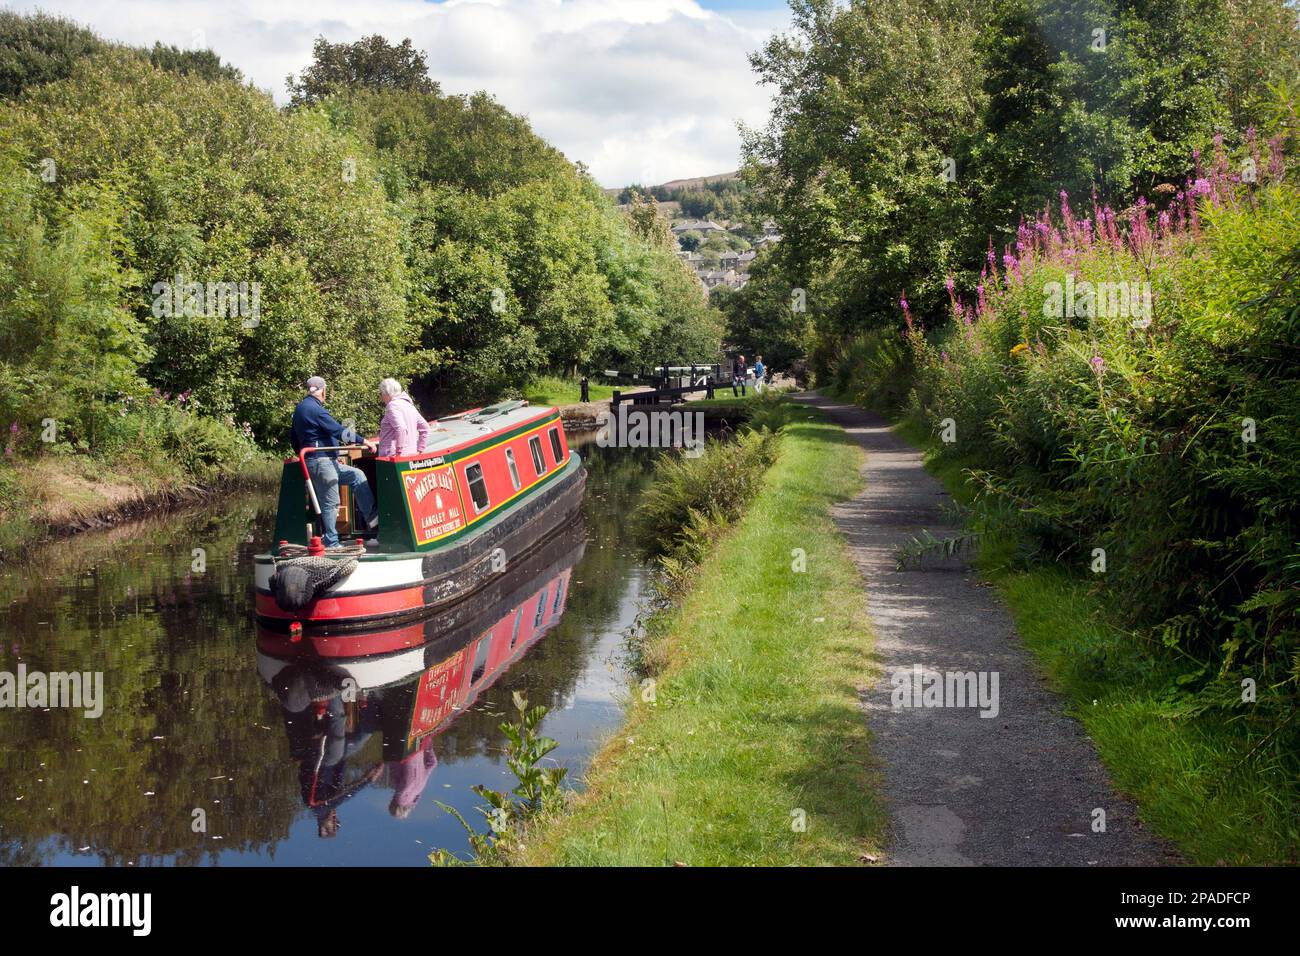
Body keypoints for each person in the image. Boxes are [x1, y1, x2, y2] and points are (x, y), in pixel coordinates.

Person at [291, 376, 377, 547]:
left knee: (357, 476)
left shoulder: (301, 409)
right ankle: (331, 542)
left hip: (325, 460)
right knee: (331, 502)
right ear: (322, 390)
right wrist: (364, 441)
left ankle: (374, 523)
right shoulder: (315, 410)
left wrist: (322, 455)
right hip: (322, 462)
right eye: (325, 390)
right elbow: (338, 431)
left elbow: (294, 439)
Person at [376, 378, 431, 457]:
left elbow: (401, 428)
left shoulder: (392, 405)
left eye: (381, 393)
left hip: (392, 456)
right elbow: (425, 428)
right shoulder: (409, 405)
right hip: (412, 454)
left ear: (386, 393)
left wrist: (398, 452)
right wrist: (420, 450)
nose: (380, 397)